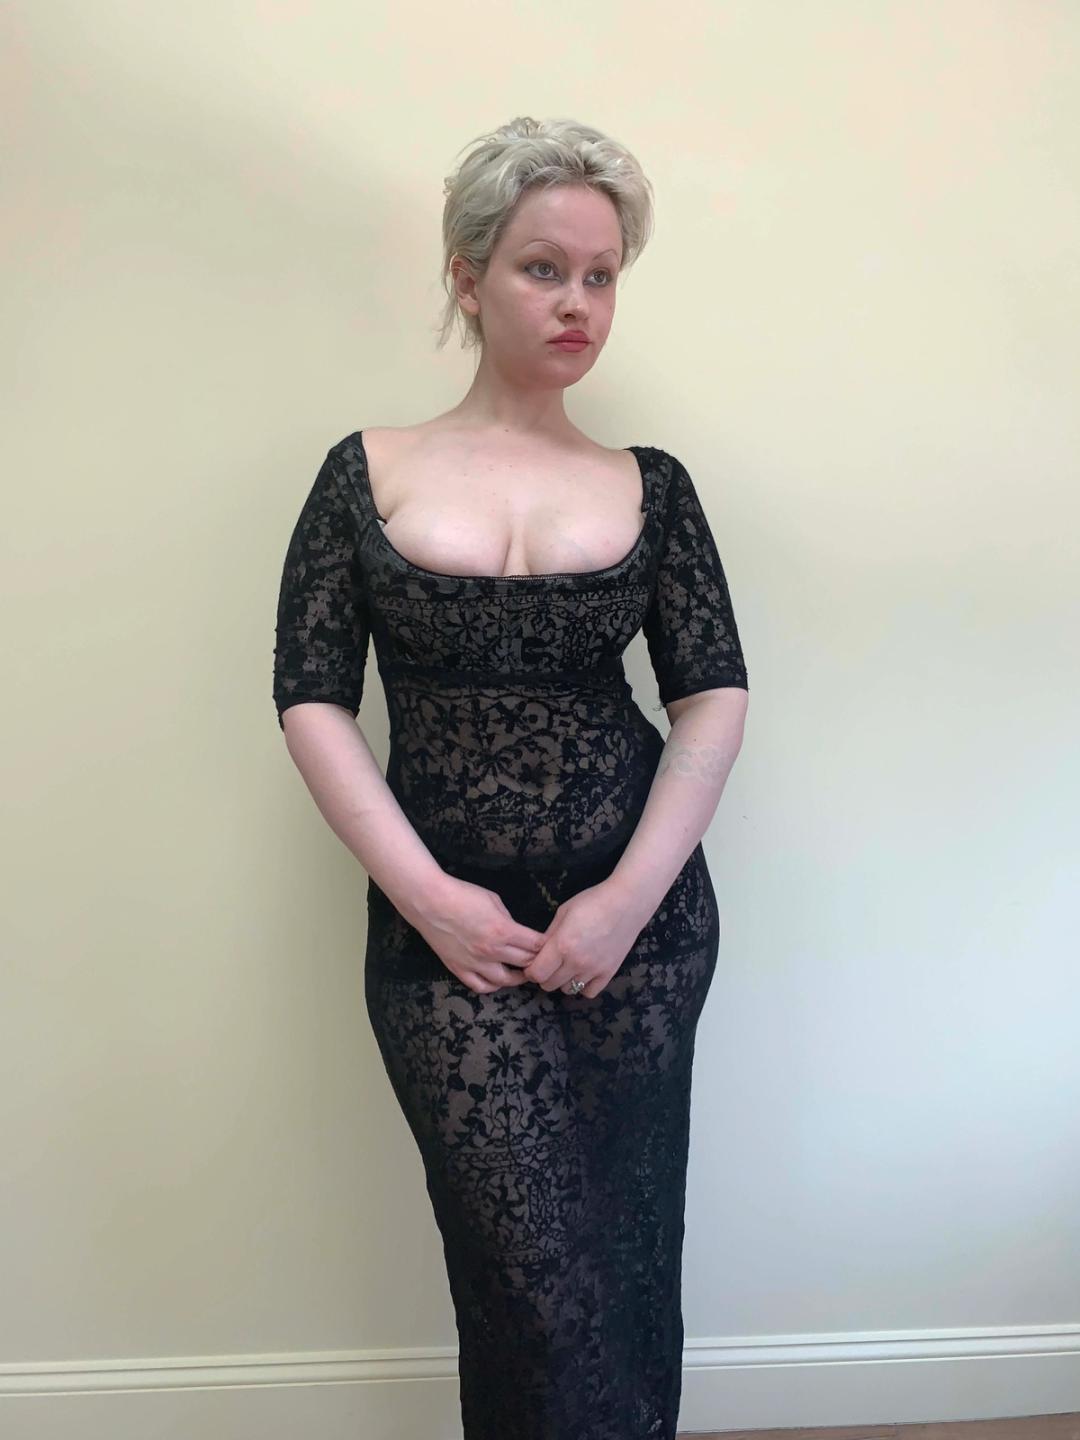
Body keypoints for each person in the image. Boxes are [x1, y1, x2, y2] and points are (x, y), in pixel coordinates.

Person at [272, 115, 749, 1440]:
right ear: (467, 274)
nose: (578, 302)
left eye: (602, 274)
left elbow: (713, 694)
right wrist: (427, 899)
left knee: (626, 1253)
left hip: (640, 928)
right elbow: (310, 697)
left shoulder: (650, 485)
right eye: (545, 269)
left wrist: (625, 904)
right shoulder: (364, 472)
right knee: (523, 1280)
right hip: (445, 931)